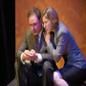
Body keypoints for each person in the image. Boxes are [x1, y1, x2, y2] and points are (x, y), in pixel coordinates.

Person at [42, 7, 86, 86]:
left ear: (53, 20)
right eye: (43, 23)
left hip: (78, 66)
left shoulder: (62, 32)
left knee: (55, 76)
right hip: (70, 65)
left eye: (45, 22)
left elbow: (56, 58)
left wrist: (48, 42)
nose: (44, 25)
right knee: (55, 77)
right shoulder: (55, 30)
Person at [16, 7, 57, 86]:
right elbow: (18, 52)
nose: (32, 28)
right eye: (30, 25)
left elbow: (54, 56)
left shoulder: (49, 32)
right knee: (18, 63)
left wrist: (38, 56)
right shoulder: (28, 34)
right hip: (33, 71)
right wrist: (24, 55)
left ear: (41, 22)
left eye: (34, 24)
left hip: (46, 72)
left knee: (47, 65)